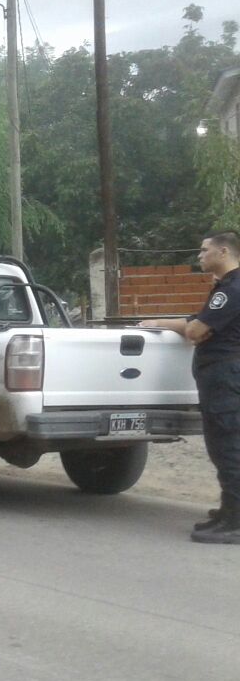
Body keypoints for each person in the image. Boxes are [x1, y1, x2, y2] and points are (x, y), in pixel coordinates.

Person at [139, 231, 240, 544]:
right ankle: (229, 510)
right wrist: (170, 324)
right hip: (222, 375)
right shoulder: (226, 287)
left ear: (223, 252)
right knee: (222, 443)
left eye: (204, 250)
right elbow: (198, 325)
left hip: (225, 375)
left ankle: (236, 521)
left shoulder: (232, 289)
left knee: (228, 445)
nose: (199, 255)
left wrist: (184, 327)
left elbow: (196, 330)